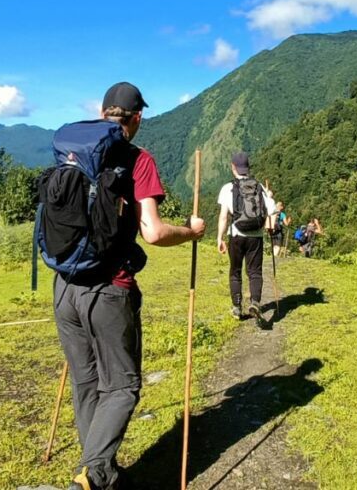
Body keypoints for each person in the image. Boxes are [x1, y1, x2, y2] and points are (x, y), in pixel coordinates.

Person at [53, 82, 206, 490]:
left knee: (87, 383)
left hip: (64, 286)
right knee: (121, 387)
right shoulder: (137, 158)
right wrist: (191, 232)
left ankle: (96, 471)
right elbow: (152, 232)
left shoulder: (71, 152)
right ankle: (93, 476)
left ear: (101, 111)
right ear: (137, 118)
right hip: (109, 289)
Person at [216, 152, 276, 327]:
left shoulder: (228, 188)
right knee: (255, 272)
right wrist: (269, 196)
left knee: (235, 271)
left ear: (233, 167)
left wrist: (220, 238)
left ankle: (236, 307)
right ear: (248, 167)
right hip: (255, 236)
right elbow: (272, 210)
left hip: (236, 234)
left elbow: (223, 217)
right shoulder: (259, 186)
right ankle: (255, 302)